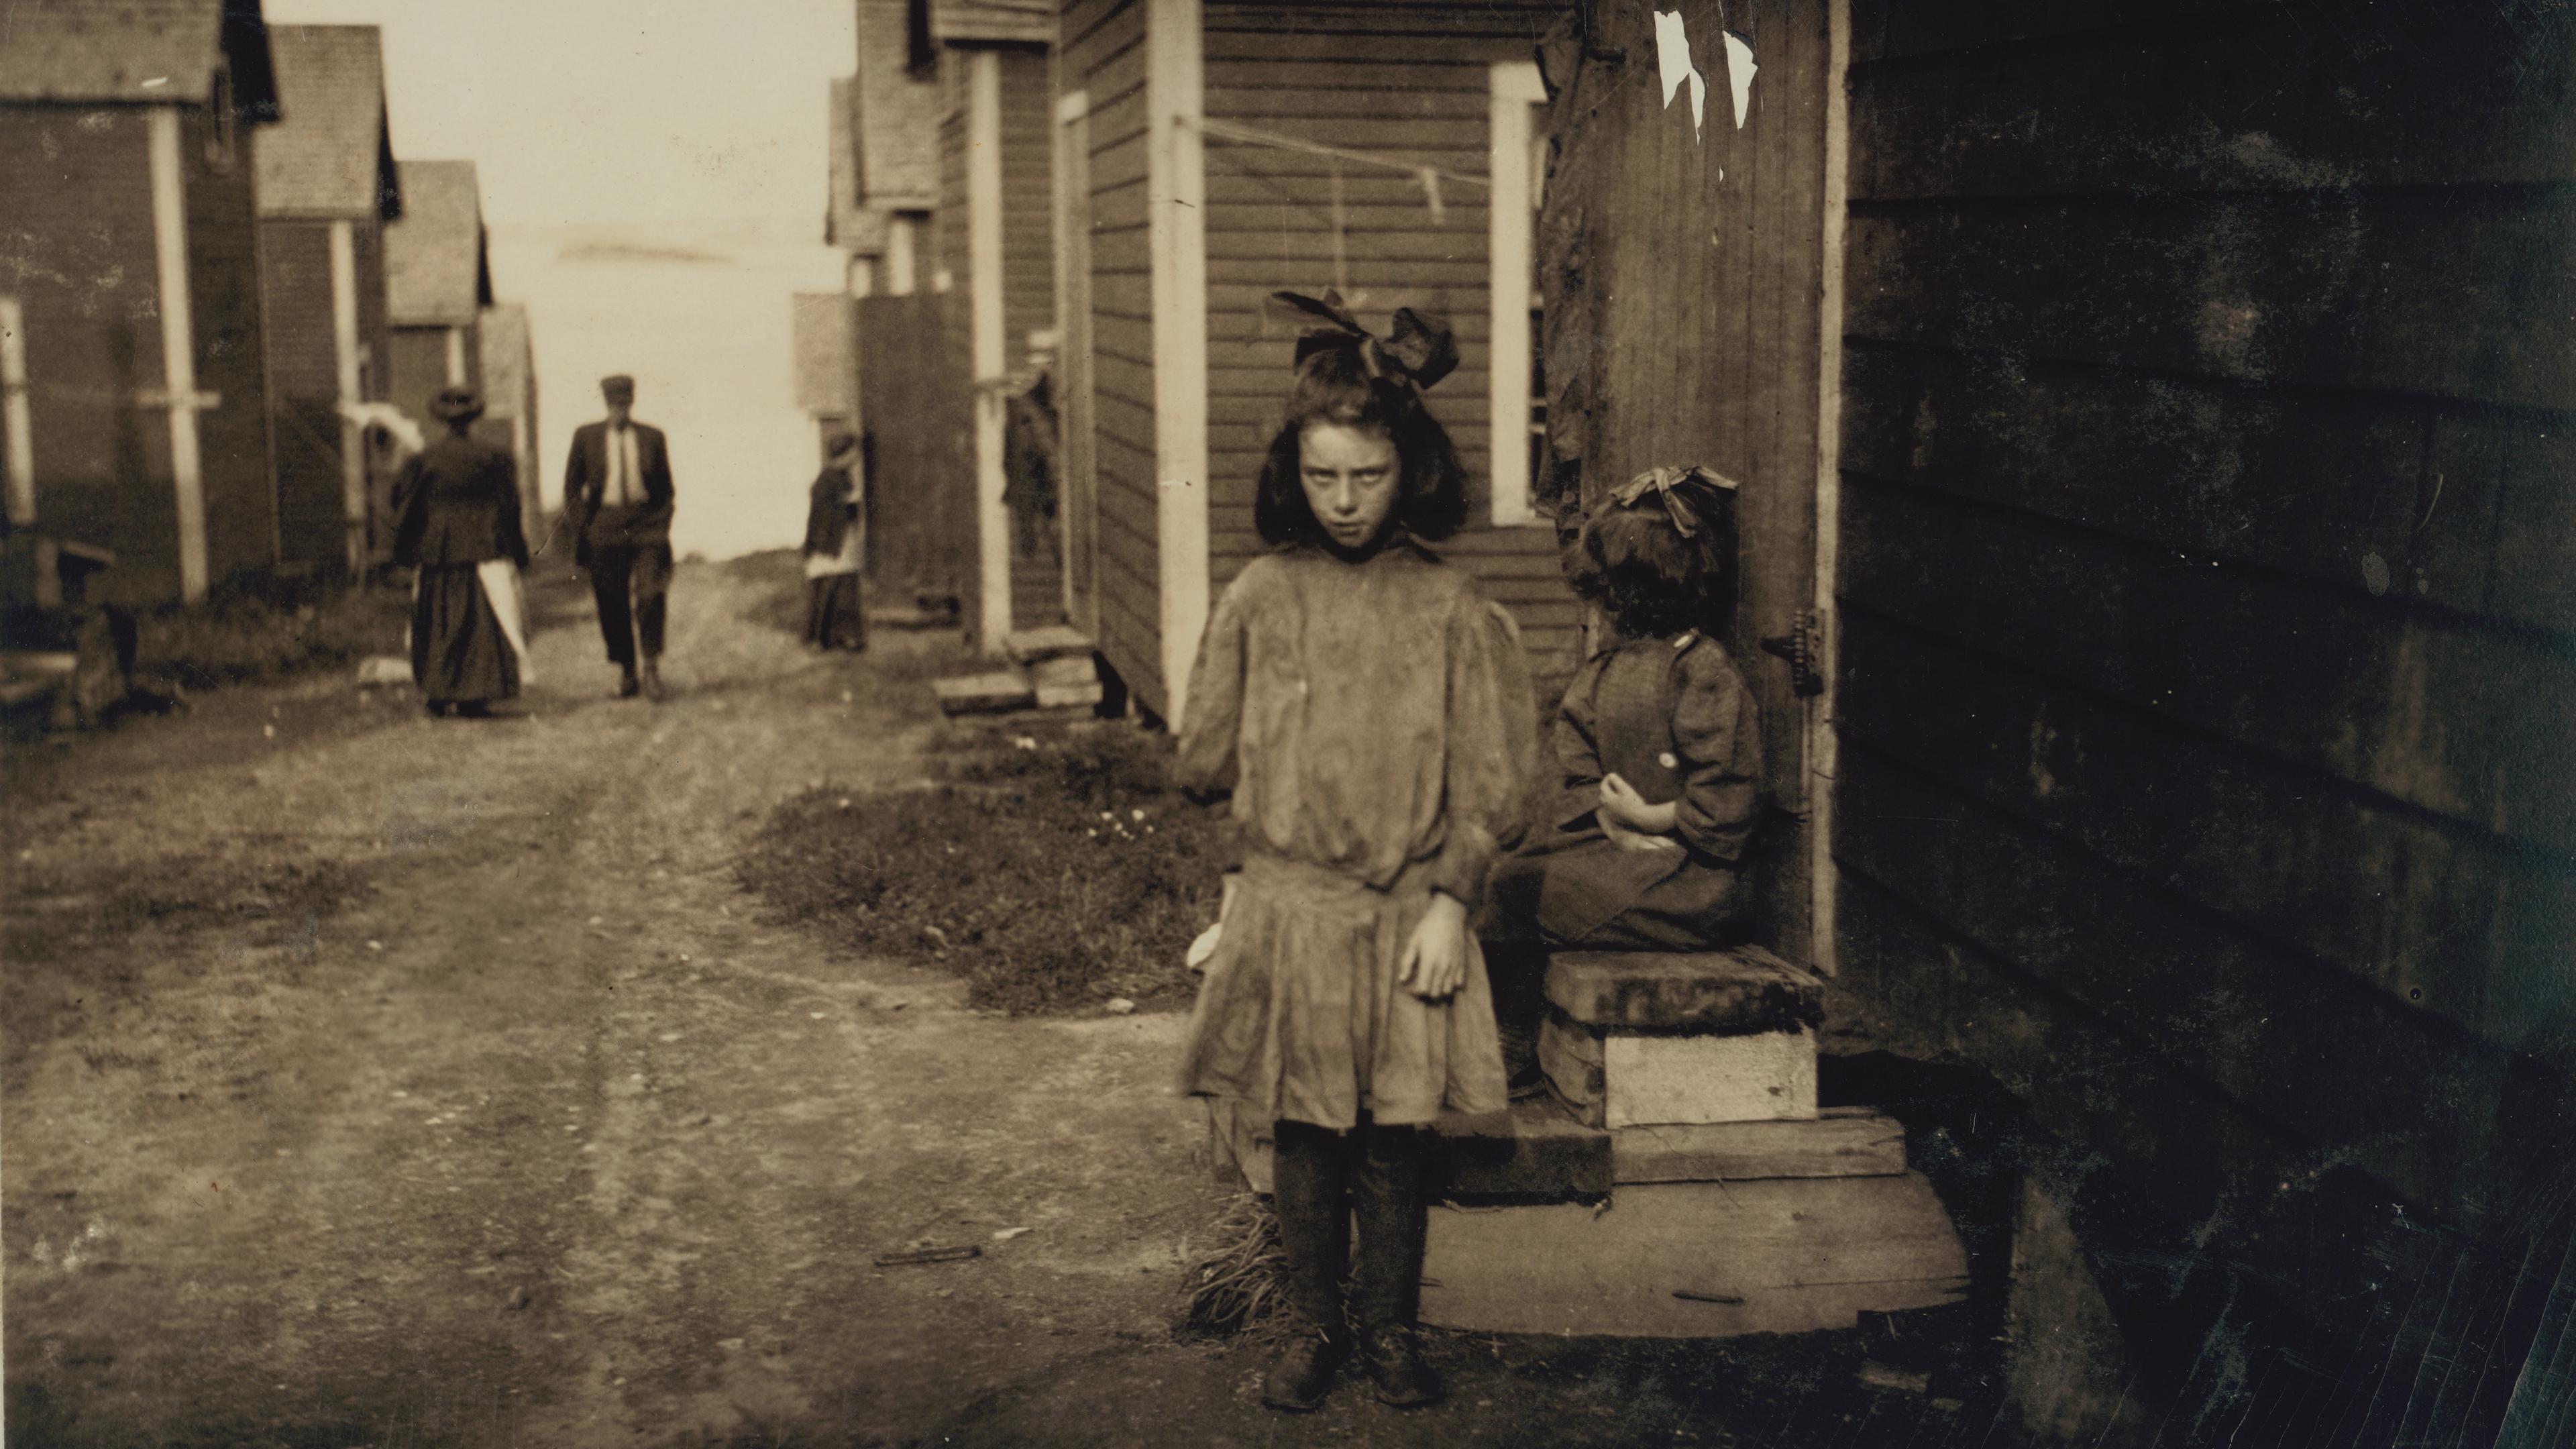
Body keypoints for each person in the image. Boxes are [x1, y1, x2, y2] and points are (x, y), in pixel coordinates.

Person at [1175, 290, 1535, 1413]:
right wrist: (1240, 888)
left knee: (1392, 1138)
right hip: (1291, 911)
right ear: (1294, 472)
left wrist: (1451, 902)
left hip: (1404, 919)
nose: (1343, 502)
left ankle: (1390, 1332)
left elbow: (1492, 783)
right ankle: (1311, 1329)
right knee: (1303, 1132)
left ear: (1410, 471)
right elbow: (1202, 761)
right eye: (1323, 477)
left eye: (1367, 478)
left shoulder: (1452, 608)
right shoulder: (1258, 595)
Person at [1486, 465, 1765, 949]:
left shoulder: (1701, 672)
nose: (1608, 608)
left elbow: (1729, 790)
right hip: (1619, 847)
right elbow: (1578, 763)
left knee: (1533, 897)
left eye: (1616, 595)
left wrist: (1649, 817)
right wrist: (1610, 819)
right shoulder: (1606, 668)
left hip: (1692, 874)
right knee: (1512, 877)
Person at [390, 386, 531, 718]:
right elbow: (510, 508)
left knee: (438, 619)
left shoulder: (424, 460)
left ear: (442, 420)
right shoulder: (494, 457)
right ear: (472, 419)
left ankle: (439, 692)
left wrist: (405, 550)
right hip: (483, 547)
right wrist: (518, 552)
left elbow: (406, 507)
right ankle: (475, 694)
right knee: (480, 618)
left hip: (438, 551)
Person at [564, 374, 676, 700]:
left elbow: (666, 489)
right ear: (605, 403)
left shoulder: (653, 437)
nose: (619, 411)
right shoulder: (586, 437)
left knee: (652, 594)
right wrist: (584, 525)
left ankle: (651, 667)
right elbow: (572, 486)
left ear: (632, 402)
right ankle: (627, 670)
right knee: (611, 600)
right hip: (605, 527)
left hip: (646, 526)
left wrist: (661, 523)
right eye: (613, 404)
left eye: (624, 404)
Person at [801, 433, 867, 650]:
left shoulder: (843, 477)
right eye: (853, 452)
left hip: (842, 540)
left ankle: (844, 637)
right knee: (826, 590)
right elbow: (821, 516)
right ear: (845, 454)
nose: (856, 457)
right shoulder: (826, 480)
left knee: (845, 590)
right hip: (828, 543)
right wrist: (848, 503)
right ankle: (818, 640)